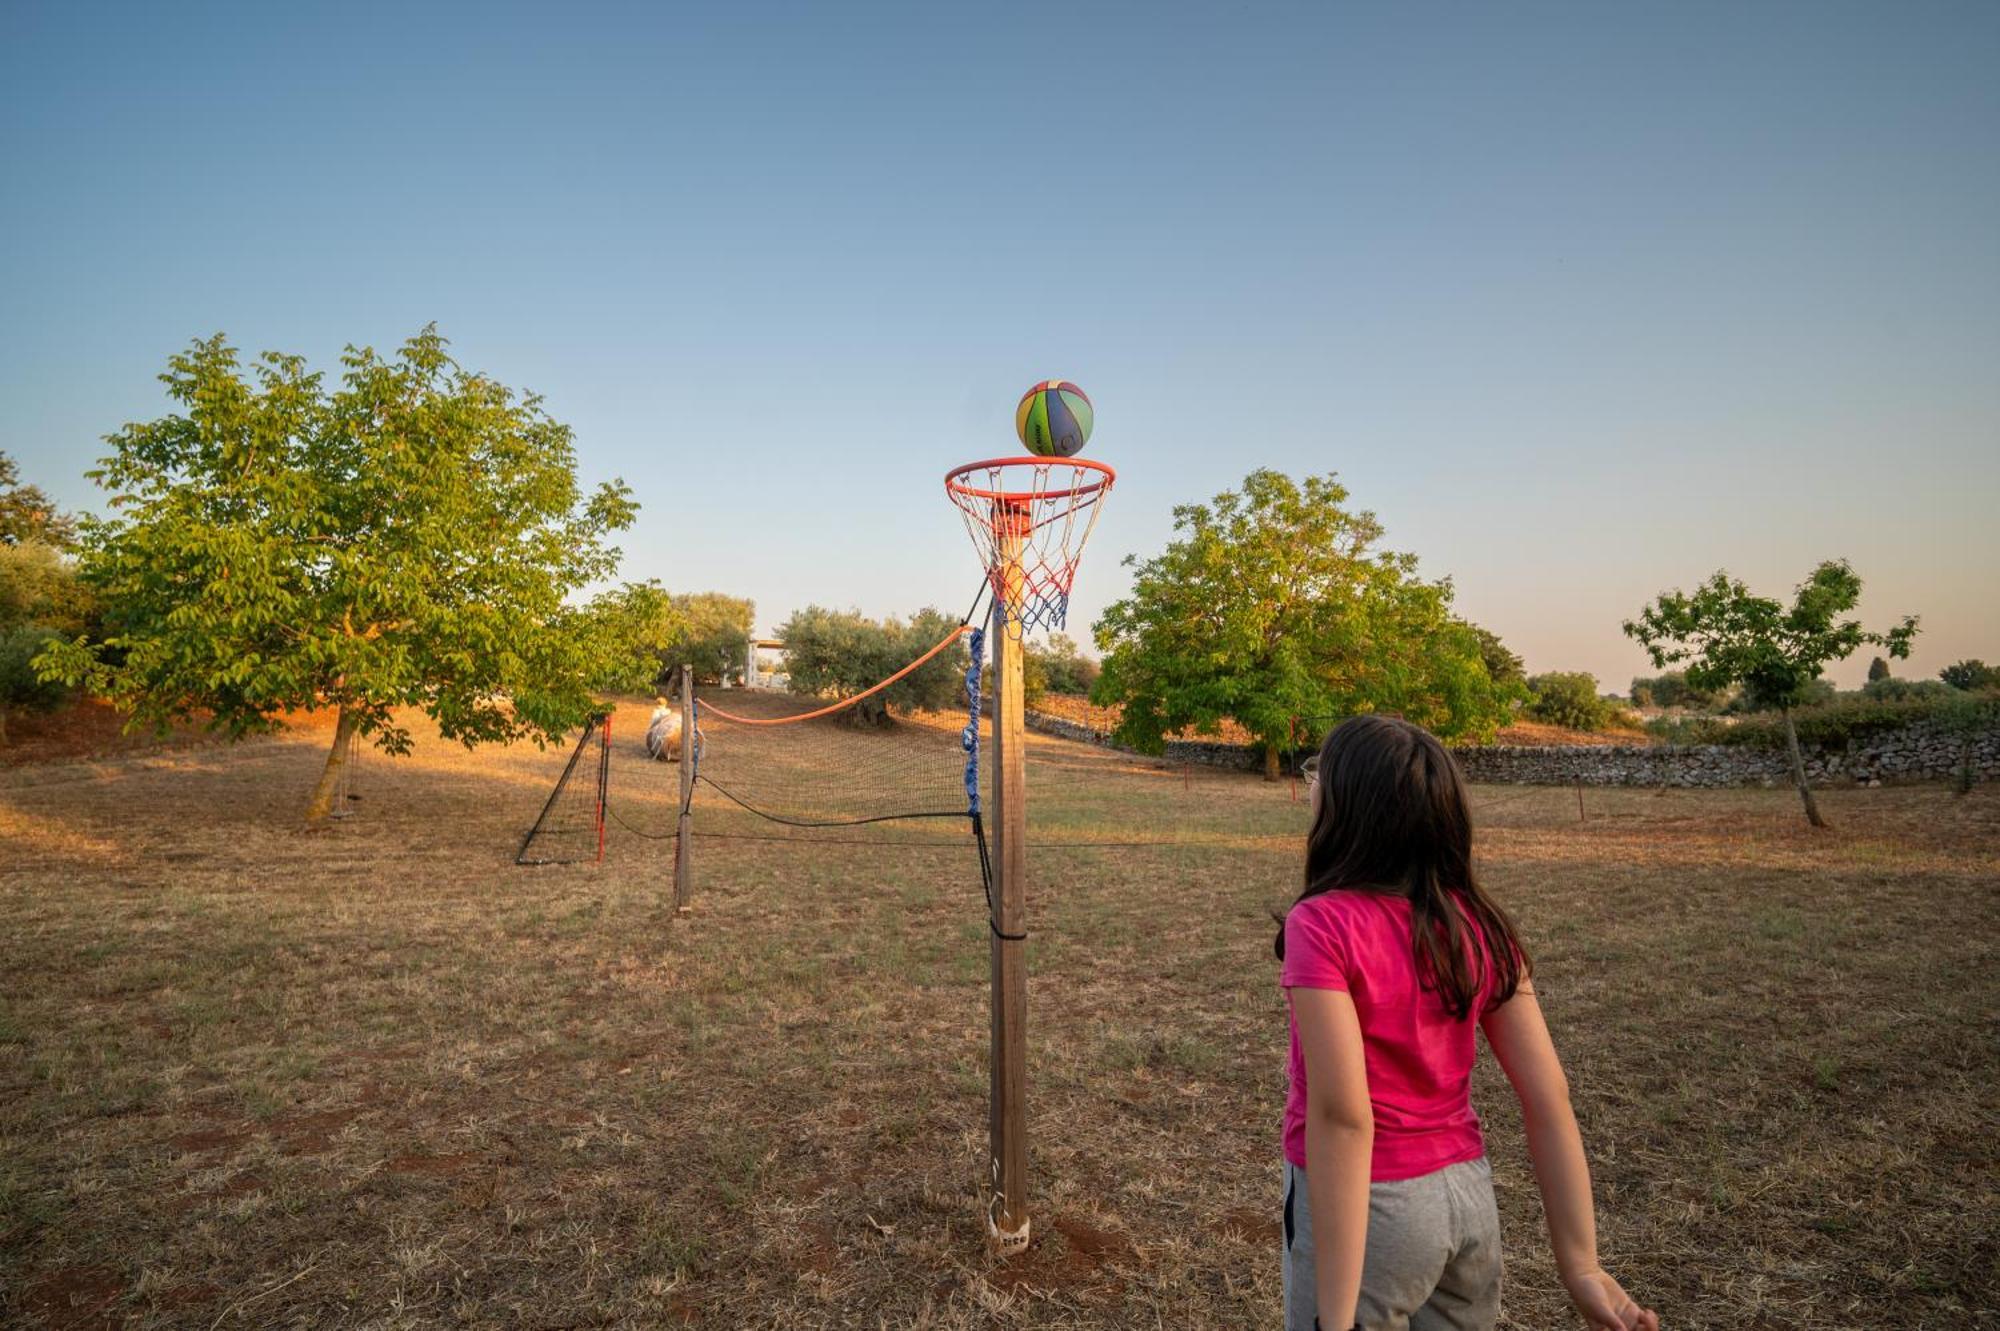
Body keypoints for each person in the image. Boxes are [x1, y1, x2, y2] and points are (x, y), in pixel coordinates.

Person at [1278, 715, 1658, 1331]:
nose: (1313, 784)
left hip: (1371, 1212)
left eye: (1320, 772)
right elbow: (1548, 1096)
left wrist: (1338, 1320)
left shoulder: (1321, 924)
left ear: (1347, 804)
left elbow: (1345, 1118)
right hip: (1467, 1202)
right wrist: (1581, 1264)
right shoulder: (1482, 925)